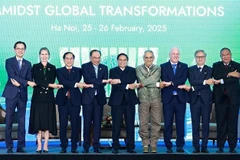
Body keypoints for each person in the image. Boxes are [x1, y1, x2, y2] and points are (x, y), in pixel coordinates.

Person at [2, 41, 36, 153]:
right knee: (9, 120)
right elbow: (12, 75)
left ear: (25, 51)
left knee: (22, 121)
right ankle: (9, 146)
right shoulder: (9, 61)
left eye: (22, 49)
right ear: (14, 49)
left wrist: (22, 83)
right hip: (11, 94)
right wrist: (25, 82)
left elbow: (30, 78)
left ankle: (20, 146)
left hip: (22, 95)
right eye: (18, 48)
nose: (20, 50)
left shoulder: (28, 63)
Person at [28, 47, 62, 153]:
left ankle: (46, 144)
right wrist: (49, 85)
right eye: (42, 54)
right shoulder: (35, 67)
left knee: (47, 122)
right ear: (39, 55)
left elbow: (51, 80)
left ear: (49, 55)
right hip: (38, 98)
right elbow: (37, 80)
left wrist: (48, 84)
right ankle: (39, 144)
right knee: (38, 122)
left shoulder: (52, 67)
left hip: (48, 98)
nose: (44, 56)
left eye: (46, 54)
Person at [108, 53, 139, 154]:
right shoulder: (112, 71)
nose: (122, 62)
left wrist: (120, 81)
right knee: (116, 125)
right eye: (120, 60)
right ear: (117, 61)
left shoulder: (132, 70)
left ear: (127, 60)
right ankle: (115, 146)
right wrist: (127, 86)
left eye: (124, 60)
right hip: (116, 101)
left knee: (130, 124)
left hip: (129, 101)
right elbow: (115, 85)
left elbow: (131, 81)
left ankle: (130, 146)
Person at [160, 47, 189, 153]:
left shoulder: (184, 66)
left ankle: (180, 145)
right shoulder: (163, 66)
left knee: (180, 123)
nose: (176, 56)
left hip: (180, 99)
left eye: (177, 54)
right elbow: (164, 79)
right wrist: (174, 83)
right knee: (168, 123)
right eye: (174, 54)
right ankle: (168, 145)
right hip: (168, 99)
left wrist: (171, 83)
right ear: (169, 54)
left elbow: (183, 79)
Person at [56, 52, 85, 153]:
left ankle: (74, 146)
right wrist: (76, 84)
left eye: (71, 58)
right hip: (63, 101)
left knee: (75, 124)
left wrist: (74, 84)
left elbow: (72, 81)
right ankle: (63, 146)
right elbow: (62, 81)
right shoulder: (59, 71)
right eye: (67, 58)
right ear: (64, 60)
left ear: (73, 59)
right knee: (63, 124)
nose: (69, 60)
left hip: (75, 100)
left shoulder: (78, 70)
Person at [212, 47, 240, 153]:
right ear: (220, 57)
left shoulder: (237, 65)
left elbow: (234, 80)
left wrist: (223, 80)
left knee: (233, 124)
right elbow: (216, 76)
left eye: (227, 54)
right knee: (221, 124)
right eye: (223, 55)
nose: (225, 56)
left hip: (233, 99)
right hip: (220, 99)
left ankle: (232, 146)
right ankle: (220, 146)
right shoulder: (216, 65)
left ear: (231, 55)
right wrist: (229, 74)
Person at [81, 49, 109, 153]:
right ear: (90, 58)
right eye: (94, 58)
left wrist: (96, 83)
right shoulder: (85, 66)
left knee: (98, 123)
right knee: (87, 123)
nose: (97, 60)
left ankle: (96, 145)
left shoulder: (104, 67)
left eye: (98, 57)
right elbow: (88, 79)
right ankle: (86, 146)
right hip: (88, 99)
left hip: (99, 99)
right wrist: (100, 81)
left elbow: (105, 82)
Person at [136, 50, 163, 153]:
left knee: (156, 121)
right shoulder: (138, 68)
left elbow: (146, 81)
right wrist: (156, 84)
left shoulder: (158, 68)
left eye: (150, 57)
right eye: (146, 57)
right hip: (143, 98)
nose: (149, 59)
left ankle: (154, 143)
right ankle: (145, 143)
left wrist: (148, 83)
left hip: (156, 98)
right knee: (143, 122)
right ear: (143, 58)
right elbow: (142, 80)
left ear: (153, 58)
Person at [188, 50, 214, 153]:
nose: (200, 58)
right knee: (195, 124)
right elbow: (192, 81)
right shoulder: (190, 69)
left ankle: (204, 146)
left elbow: (203, 84)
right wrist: (204, 82)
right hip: (194, 100)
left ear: (205, 58)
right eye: (198, 57)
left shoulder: (210, 69)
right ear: (195, 58)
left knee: (205, 124)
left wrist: (194, 87)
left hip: (206, 100)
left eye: (202, 56)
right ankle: (196, 146)